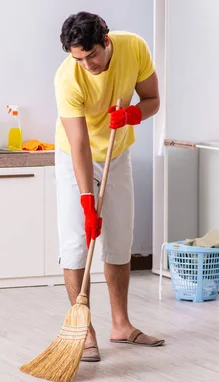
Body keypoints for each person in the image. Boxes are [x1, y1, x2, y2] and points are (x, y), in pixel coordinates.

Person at [53, 11, 164, 362]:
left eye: (92, 55)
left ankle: (121, 325)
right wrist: (87, 199)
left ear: (106, 40)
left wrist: (133, 115)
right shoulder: (68, 78)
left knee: (119, 242)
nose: (87, 64)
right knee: (76, 244)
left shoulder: (134, 47)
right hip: (77, 157)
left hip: (117, 152)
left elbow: (152, 100)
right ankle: (84, 330)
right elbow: (80, 145)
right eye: (78, 58)